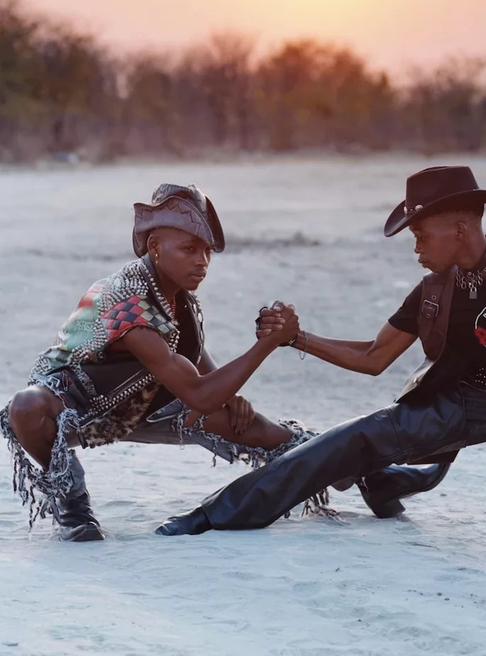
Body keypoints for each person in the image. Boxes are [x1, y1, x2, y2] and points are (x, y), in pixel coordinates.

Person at [156, 165, 486, 554]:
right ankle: (217, 514)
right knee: (350, 440)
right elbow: (374, 357)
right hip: (468, 405)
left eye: (420, 234)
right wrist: (297, 339)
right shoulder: (432, 293)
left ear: (459, 229)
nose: (415, 246)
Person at [0, 183, 309, 541]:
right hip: (77, 407)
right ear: (155, 247)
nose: (202, 261)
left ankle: (343, 461)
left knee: (261, 430)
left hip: (146, 404)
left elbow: (192, 355)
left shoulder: (176, 295)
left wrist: (230, 397)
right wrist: (267, 345)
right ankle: (72, 505)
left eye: (207, 251)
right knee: (25, 407)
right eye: (189, 249)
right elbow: (199, 394)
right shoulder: (125, 301)